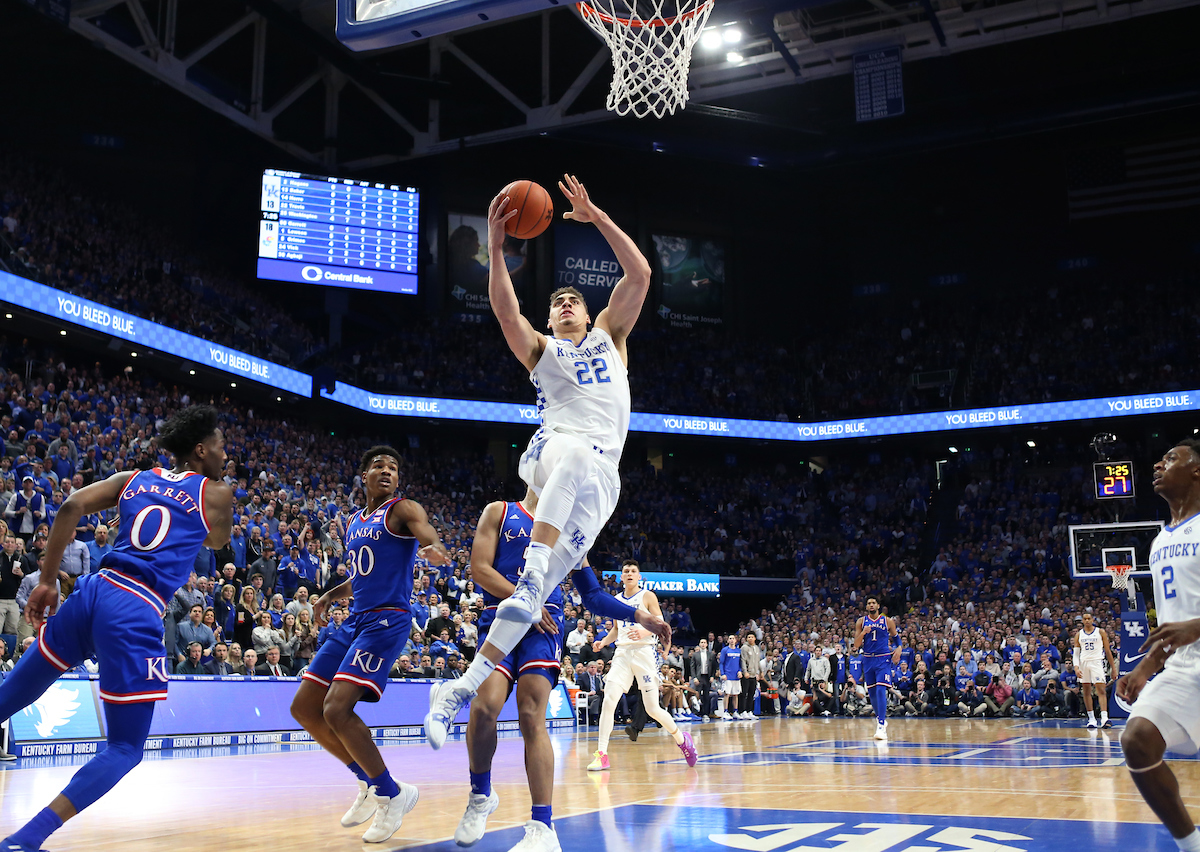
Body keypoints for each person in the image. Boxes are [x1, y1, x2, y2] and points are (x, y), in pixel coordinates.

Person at [424, 175, 657, 844]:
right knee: (571, 455)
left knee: (534, 597)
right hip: (562, 451)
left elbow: (638, 272)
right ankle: (531, 576)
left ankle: (461, 687)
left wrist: (594, 215)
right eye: (554, 300)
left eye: (570, 300)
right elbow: (504, 311)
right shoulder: (544, 353)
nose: (562, 304)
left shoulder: (612, 336)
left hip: (602, 484)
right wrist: (496, 249)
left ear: (588, 315)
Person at [0, 405, 232, 852]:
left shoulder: (134, 477)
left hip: (93, 589)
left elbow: (69, 505)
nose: (227, 457)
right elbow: (216, 541)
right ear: (201, 451)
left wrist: (47, 581)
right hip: (136, 607)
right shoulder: (216, 492)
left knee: (13, 693)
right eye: (221, 448)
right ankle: (27, 839)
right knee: (125, 748)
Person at [453, 491, 677, 851]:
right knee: (483, 708)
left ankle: (543, 827)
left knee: (531, 714)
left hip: (544, 628)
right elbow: (479, 570)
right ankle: (481, 795)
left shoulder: (571, 529)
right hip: (502, 617)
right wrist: (525, 600)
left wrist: (641, 616)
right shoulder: (500, 512)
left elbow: (593, 596)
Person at [289, 445, 450, 845]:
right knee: (305, 708)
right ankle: (369, 781)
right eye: (378, 465)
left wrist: (431, 547)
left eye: (393, 467)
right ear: (363, 475)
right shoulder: (354, 520)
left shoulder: (403, 509)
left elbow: (426, 531)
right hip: (356, 617)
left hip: (387, 620)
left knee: (337, 708)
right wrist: (330, 595)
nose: (386, 471)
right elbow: (362, 576)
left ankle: (392, 794)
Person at [1118, 439, 1200, 852]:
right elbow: (1172, 627)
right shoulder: (1159, 541)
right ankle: (1191, 844)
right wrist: (1145, 667)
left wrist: (1197, 626)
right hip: (1186, 670)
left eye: (1171, 459)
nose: (1158, 464)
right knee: (1137, 740)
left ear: (1197, 471)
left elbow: (1189, 625)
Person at [587, 560, 696, 773]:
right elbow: (617, 630)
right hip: (622, 653)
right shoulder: (616, 600)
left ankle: (682, 740)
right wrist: (604, 642)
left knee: (653, 708)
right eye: (625, 571)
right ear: (621, 576)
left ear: (639, 576)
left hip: (644, 653)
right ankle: (602, 755)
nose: (629, 573)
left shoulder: (647, 596)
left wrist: (645, 631)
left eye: (633, 571)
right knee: (609, 699)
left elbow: (660, 624)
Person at [851, 596, 903, 740]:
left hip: (883, 658)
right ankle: (881, 719)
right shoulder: (861, 622)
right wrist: (863, 633)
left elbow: (897, 639)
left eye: (873, 603)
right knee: (872, 693)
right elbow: (855, 645)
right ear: (866, 607)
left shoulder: (887, 621)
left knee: (881, 689)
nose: (871, 605)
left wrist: (899, 648)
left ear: (878, 606)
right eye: (869, 603)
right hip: (867, 659)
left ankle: (881, 725)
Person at [1074, 611, 1117, 729]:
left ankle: (1104, 718)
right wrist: (1076, 667)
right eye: (1085, 619)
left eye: (1089, 618)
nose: (1087, 620)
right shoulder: (1079, 634)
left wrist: (1113, 669)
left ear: (1093, 620)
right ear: (1082, 621)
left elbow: (1108, 651)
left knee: (1101, 690)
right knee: (1086, 691)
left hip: (1097, 662)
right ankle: (1091, 719)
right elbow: (1076, 653)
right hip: (1083, 663)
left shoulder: (1100, 632)